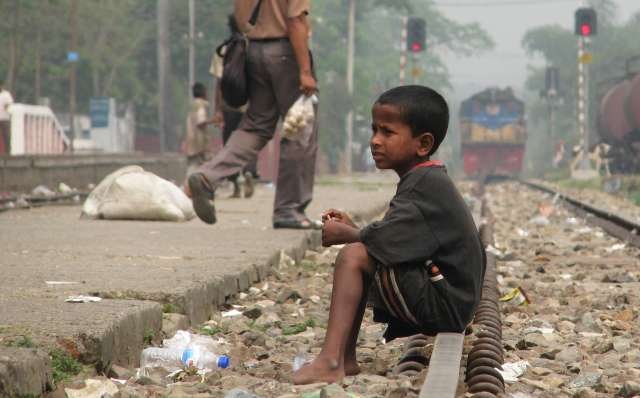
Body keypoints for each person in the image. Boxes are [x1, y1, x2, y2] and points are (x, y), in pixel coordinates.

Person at [292, 85, 486, 385]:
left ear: (422, 144)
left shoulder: (424, 183)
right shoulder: (425, 178)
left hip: (447, 306)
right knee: (362, 249)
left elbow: (390, 241)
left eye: (387, 132)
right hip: (451, 300)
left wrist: (348, 235)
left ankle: (331, 360)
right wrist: (356, 229)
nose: (375, 141)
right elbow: (401, 235)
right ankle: (345, 358)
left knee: (354, 255)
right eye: (374, 130)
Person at [188, 0, 318, 228]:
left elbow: (239, 18)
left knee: (255, 126)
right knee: (299, 128)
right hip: (285, 53)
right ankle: (288, 209)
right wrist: (305, 71)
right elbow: (296, 20)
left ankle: (208, 176)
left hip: (253, 52)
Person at [210, 14, 257, 199]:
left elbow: (219, 83)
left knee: (229, 145)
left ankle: (235, 184)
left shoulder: (222, 50)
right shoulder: (252, 48)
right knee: (250, 140)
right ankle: (248, 172)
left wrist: (218, 110)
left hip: (229, 104)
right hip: (250, 105)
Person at [184, 82, 217, 178]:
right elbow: (201, 122)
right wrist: (213, 120)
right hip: (199, 143)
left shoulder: (192, 105)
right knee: (199, 166)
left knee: (193, 166)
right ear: (203, 93)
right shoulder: (201, 105)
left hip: (191, 141)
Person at [0, 83, 14, 154]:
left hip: (5, 118)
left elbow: (9, 104)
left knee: (6, 136)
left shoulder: (6, 94)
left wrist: (6, 107)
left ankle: (7, 153)